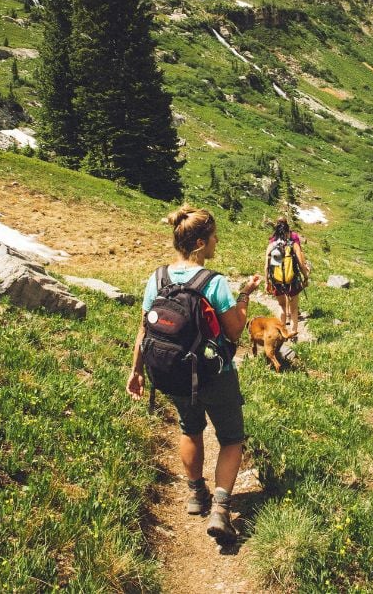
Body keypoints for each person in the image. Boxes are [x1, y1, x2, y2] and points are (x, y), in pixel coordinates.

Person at [127, 204, 261, 546]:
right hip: (215, 374)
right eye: (214, 236)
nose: (217, 242)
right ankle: (220, 509)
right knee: (231, 438)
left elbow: (145, 328)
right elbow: (233, 332)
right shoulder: (213, 282)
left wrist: (136, 371)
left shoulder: (157, 278)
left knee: (190, 428)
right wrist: (244, 296)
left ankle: (195, 495)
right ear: (201, 242)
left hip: (173, 374)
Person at [264, 216, 310, 336]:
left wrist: (267, 282)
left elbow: (267, 267)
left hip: (277, 281)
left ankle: (281, 332)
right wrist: (306, 277)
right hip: (292, 281)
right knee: (294, 309)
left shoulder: (271, 245)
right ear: (287, 230)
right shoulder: (293, 244)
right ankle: (293, 332)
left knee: (281, 306)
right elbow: (300, 264)